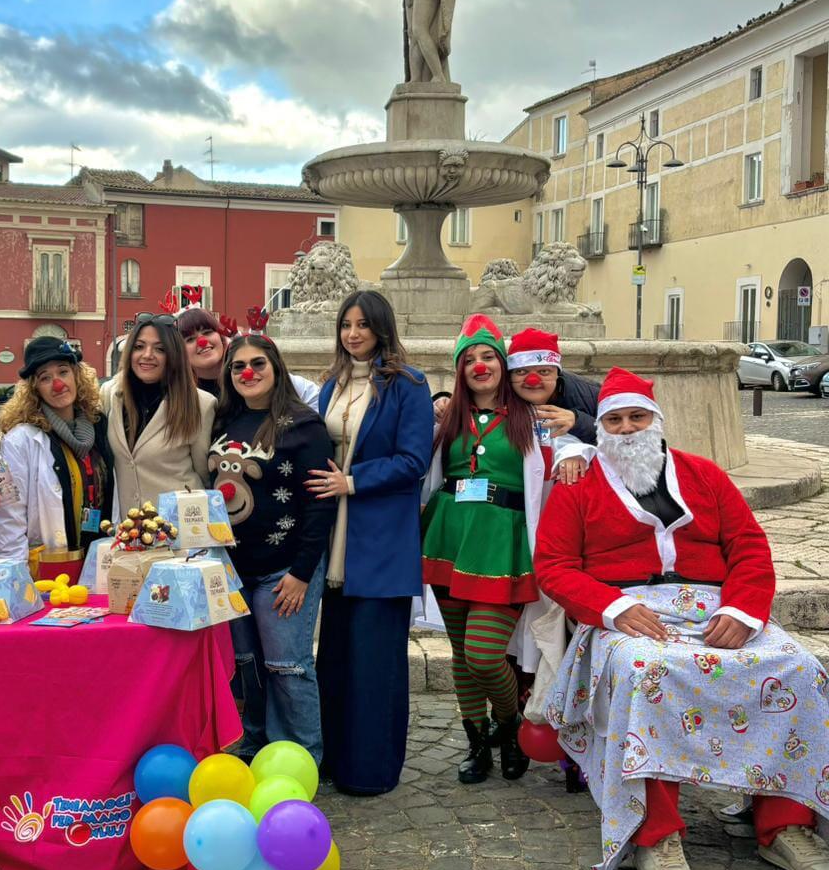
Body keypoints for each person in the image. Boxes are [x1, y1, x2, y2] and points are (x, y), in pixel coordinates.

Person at [535, 367, 829, 870]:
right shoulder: (579, 483)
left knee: (800, 668)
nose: (626, 429)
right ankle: (656, 832)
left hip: (718, 608)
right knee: (648, 673)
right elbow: (553, 565)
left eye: (636, 417)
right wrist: (612, 606)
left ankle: (785, 822)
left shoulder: (703, 475)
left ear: (657, 422)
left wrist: (743, 612)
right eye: (615, 420)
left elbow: (748, 547)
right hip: (627, 613)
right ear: (600, 427)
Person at [421, 316, 584, 785]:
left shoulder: (533, 419)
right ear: (458, 370)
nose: (479, 365)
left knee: (484, 653)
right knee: (460, 654)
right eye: (469, 359)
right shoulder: (446, 417)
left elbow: (579, 445)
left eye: (488, 356)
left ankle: (509, 725)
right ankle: (477, 744)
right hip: (448, 538)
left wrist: (577, 450)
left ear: (502, 362)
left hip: (506, 545)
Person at [306, 289, 435, 795]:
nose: (353, 333)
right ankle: (335, 758)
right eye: (346, 325)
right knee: (335, 658)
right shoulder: (330, 385)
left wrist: (352, 480)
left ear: (382, 328)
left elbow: (413, 461)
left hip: (379, 545)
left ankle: (373, 769)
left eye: (362, 324)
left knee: (375, 663)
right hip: (334, 541)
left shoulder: (409, 385)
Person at [209, 333, 335, 762]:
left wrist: (301, 574)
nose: (248, 372)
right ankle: (255, 745)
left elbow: (320, 506)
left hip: (284, 569)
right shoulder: (224, 420)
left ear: (276, 368)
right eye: (238, 365)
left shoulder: (305, 426)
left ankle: (303, 756)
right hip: (231, 570)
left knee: (288, 667)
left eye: (258, 363)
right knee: (246, 663)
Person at [0, 338, 113, 577]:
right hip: (50, 566)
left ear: (76, 376)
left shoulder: (98, 426)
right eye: (45, 378)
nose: (57, 384)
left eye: (63, 372)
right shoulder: (21, 440)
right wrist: (15, 577)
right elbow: (9, 516)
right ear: (34, 388)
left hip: (98, 560)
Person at [101, 313, 215, 513]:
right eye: (139, 347)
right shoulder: (110, 395)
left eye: (160, 349)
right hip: (129, 530)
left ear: (173, 355)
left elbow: (204, 474)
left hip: (179, 529)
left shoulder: (201, 404)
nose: (147, 355)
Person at [179, 304, 320, 409]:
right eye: (190, 339)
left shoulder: (255, 372)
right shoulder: (179, 391)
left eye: (208, 332)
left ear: (220, 336)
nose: (202, 342)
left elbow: (313, 397)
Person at [506, 328, 600, 445]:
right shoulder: (498, 396)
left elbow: (620, 440)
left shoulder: (593, 396)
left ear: (557, 373)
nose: (532, 381)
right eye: (521, 371)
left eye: (544, 371)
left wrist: (579, 421)